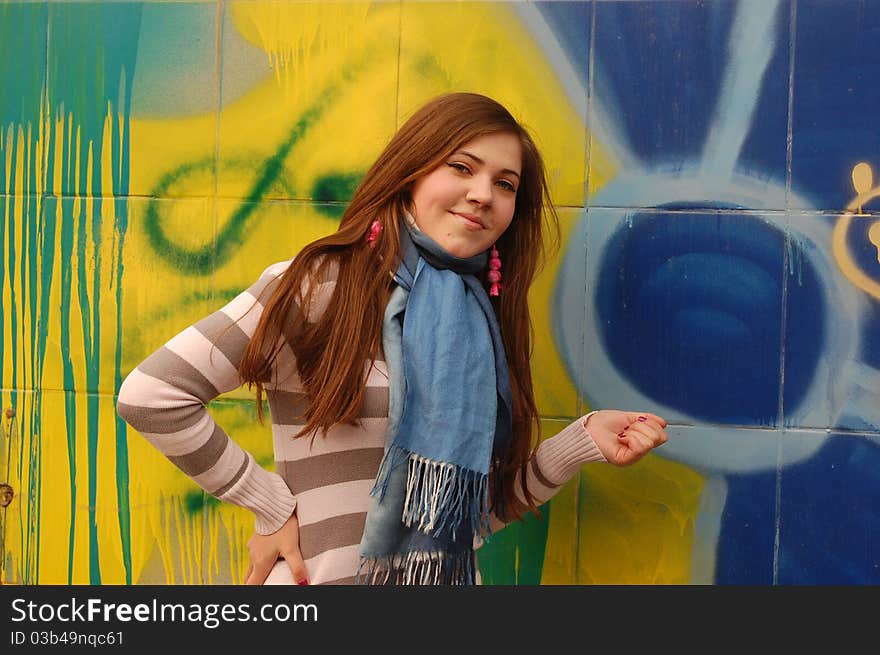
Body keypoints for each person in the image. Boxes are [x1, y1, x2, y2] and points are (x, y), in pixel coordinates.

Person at [117, 92, 668, 586]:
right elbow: (153, 395)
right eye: (462, 167)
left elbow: (467, 520)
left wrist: (580, 443)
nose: (483, 194)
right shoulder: (320, 285)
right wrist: (270, 506)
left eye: (505, 184)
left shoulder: (480, 327)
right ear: (412, 173)